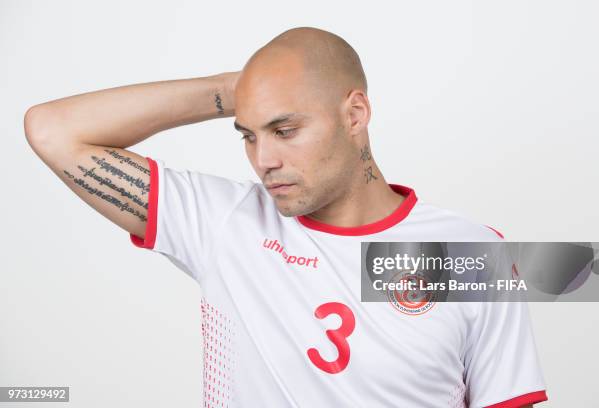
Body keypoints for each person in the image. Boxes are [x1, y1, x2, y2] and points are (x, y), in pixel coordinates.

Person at [24, 26, 547, 408]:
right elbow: (53, 131)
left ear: (355, 114)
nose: (263, 160)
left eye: (285, 129)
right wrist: (240, 89)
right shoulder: (224, 223)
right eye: (248, 134)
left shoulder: (473, 254)